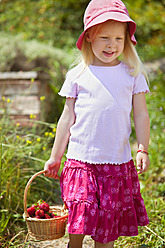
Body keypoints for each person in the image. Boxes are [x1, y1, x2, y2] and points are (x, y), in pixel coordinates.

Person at [44, 0, 150, 247]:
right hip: (81, 161)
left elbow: (141, 115)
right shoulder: (78, 75)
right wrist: (55, 156)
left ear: (127, 41)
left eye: (118, 38)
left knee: (106, 233)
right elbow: (66, 118)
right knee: (77, 229)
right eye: (104, 37)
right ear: (89, 36)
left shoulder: (131, 74)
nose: (112, 44)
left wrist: (142, 147)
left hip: (115, 163)